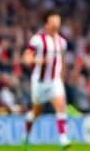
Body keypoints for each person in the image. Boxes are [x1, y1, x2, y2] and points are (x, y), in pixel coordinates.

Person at [21, 11, 71, 149]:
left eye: (58, 20)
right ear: (47, 24)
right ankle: (26, 134)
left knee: (61, 106)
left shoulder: (62, 42)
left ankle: (63, 138)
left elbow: (62, 62)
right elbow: (26, 58)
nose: (57, 23)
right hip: (40, 82)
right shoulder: (37, 39)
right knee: (37, 112)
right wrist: (39, 60)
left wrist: (62, 78)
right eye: (54, 20)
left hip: (54, 80)